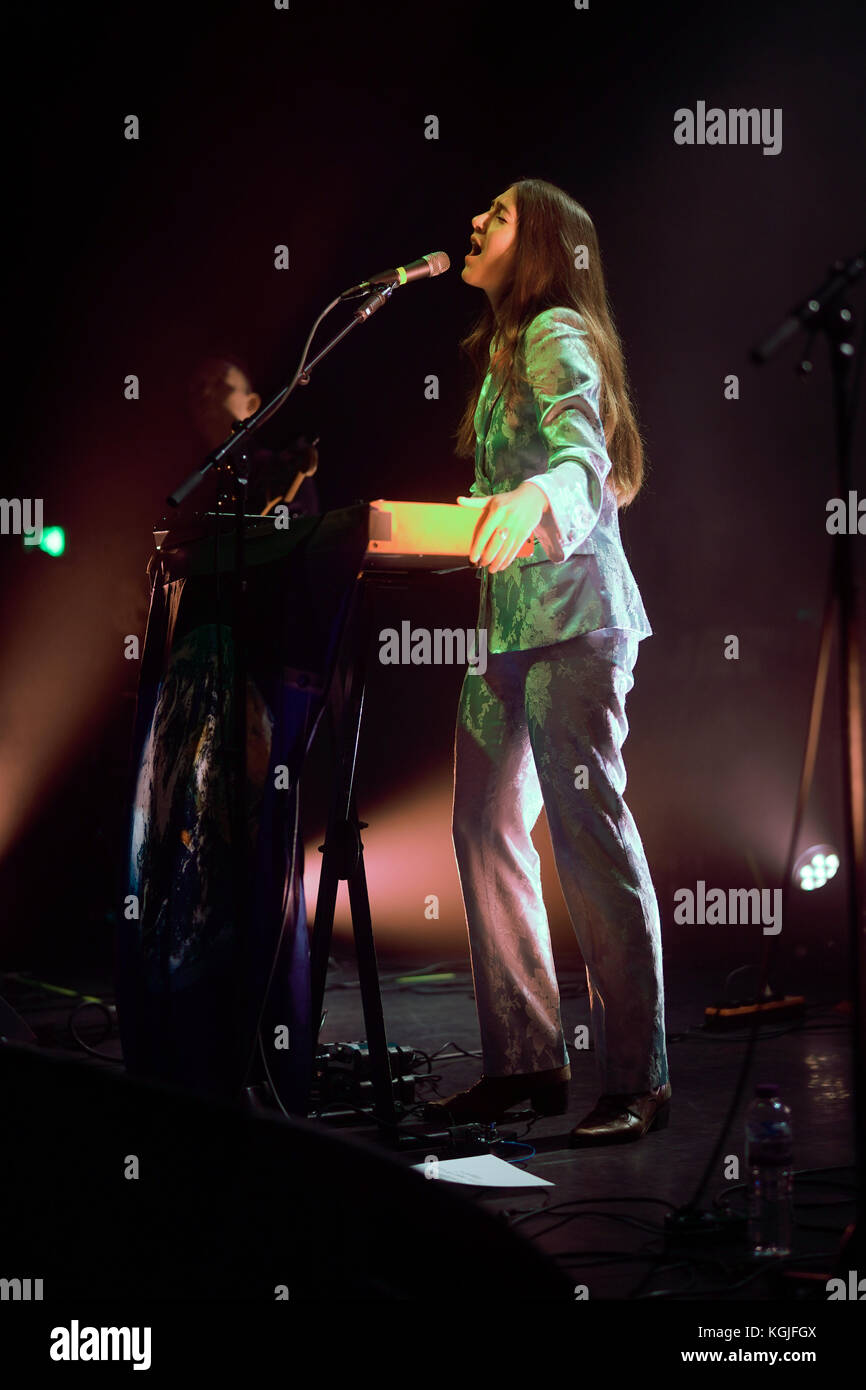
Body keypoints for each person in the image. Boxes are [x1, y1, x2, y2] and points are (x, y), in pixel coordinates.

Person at [423, 179, 670, 1146]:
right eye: (476, 208)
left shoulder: (556, 330)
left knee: (587, 836)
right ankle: (526, 1063)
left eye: (498, 214)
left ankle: (637, 1080)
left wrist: (541, 499)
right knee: (484, 825)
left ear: (543, 245)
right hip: (509, 631)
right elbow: (500, 500)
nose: (475, 221)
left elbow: (580, 456)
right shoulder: (496, 357)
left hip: (577, 621)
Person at [186, 356, 320, 517]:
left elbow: (291, 534)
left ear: (251, 405)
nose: (205, 393)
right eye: (199, 388)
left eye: (219, 384)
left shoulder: (281, 471)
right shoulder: (189, 485)